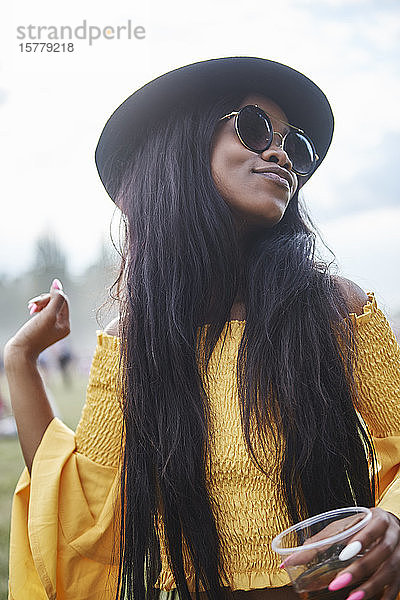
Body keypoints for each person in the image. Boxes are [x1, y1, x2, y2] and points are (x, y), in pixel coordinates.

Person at [4, 57, 400, 600]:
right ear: (181, 149)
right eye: (255, 127)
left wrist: (393, 521)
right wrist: (20, 362)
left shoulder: (335, 308)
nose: (281, 153)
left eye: (295, 146)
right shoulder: (136, 340)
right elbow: (81, 510)